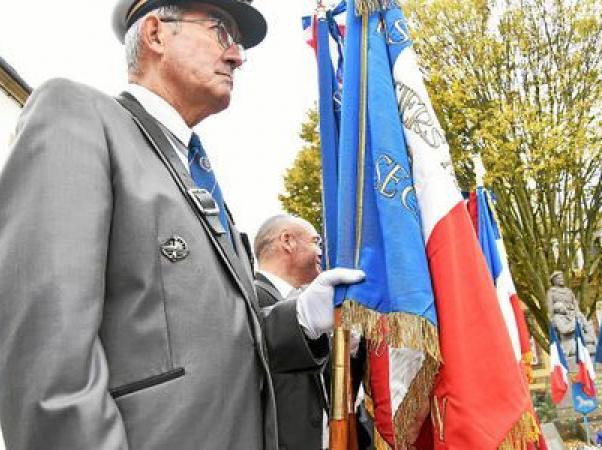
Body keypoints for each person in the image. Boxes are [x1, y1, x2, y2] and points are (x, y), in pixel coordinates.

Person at [0, 1, 363, 449]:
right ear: (155, 34)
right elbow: (47, 368)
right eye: (221, 32)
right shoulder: (78, 116)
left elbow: (216, 348)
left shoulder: (200, 177)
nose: (237, 56)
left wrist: (301, 318)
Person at [254, 215, 329, 450]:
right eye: (316, 241)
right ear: (288, 241)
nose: (321, 252)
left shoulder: (310, 302)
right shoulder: (248, 299)